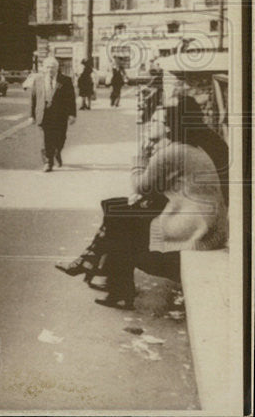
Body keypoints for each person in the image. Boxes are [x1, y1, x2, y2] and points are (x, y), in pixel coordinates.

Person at [56, 95, 228, 310]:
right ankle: (104, 274)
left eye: (158, 121)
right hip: (204, 223)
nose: (150, 125)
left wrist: (140, 158)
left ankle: (109, 279)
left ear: (169, 127)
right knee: (118, 211)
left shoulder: (173, 152)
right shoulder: (191, 146)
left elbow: (141, 186)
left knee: (121, 222)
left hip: (197, 230)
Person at [30, 56, 76, 172]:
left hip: (60, 115)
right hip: (43, 113)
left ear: (57, 68)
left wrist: (72, 114)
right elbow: (33, 98)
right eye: (48, 67)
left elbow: (71, 99)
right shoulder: (38, 80)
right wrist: (31, 115)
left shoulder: (65, 80)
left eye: (53, 67)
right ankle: (48, 162)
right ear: (44, 68)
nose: (50, 69)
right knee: (45, 140)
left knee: (60, 138)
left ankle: (57, 152)